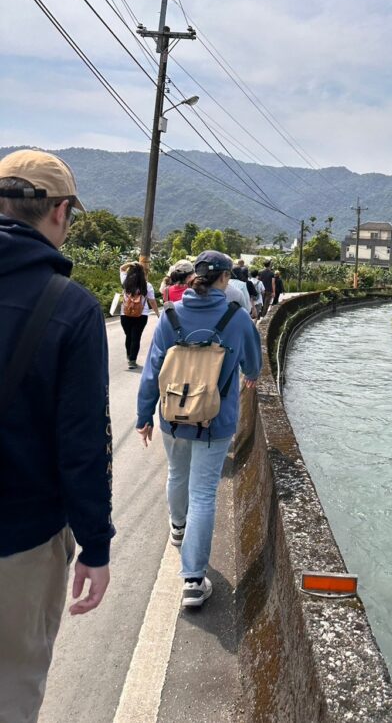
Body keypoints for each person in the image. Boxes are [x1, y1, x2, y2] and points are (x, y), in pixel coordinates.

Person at [0, 150, 114, 723]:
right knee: (10, 690)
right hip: (19, 541)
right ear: (61, 212)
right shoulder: (70, 307)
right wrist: (96, 544)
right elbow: (83, 445)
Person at [136, 251, 261, 607]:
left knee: (177, 473)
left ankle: (178, 528)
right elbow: (253, 365)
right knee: (204, 493)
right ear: (224, 278)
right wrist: (249, 375)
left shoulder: (170, 316)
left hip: (173, 416)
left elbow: (152, 372)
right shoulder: (237, 318)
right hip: (215, 420)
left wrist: (144, 416)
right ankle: (193, 580)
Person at [119, 262, 159, 369]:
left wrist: (130, 263)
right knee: (136, 337)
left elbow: (122, 268)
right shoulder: (147, 285)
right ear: (142, 273)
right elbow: (152, 301)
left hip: (125, 313)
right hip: (141, 314)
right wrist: (157, 314)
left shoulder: (126, 281)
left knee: (129, 335)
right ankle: (132, 360)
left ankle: (129, 355)